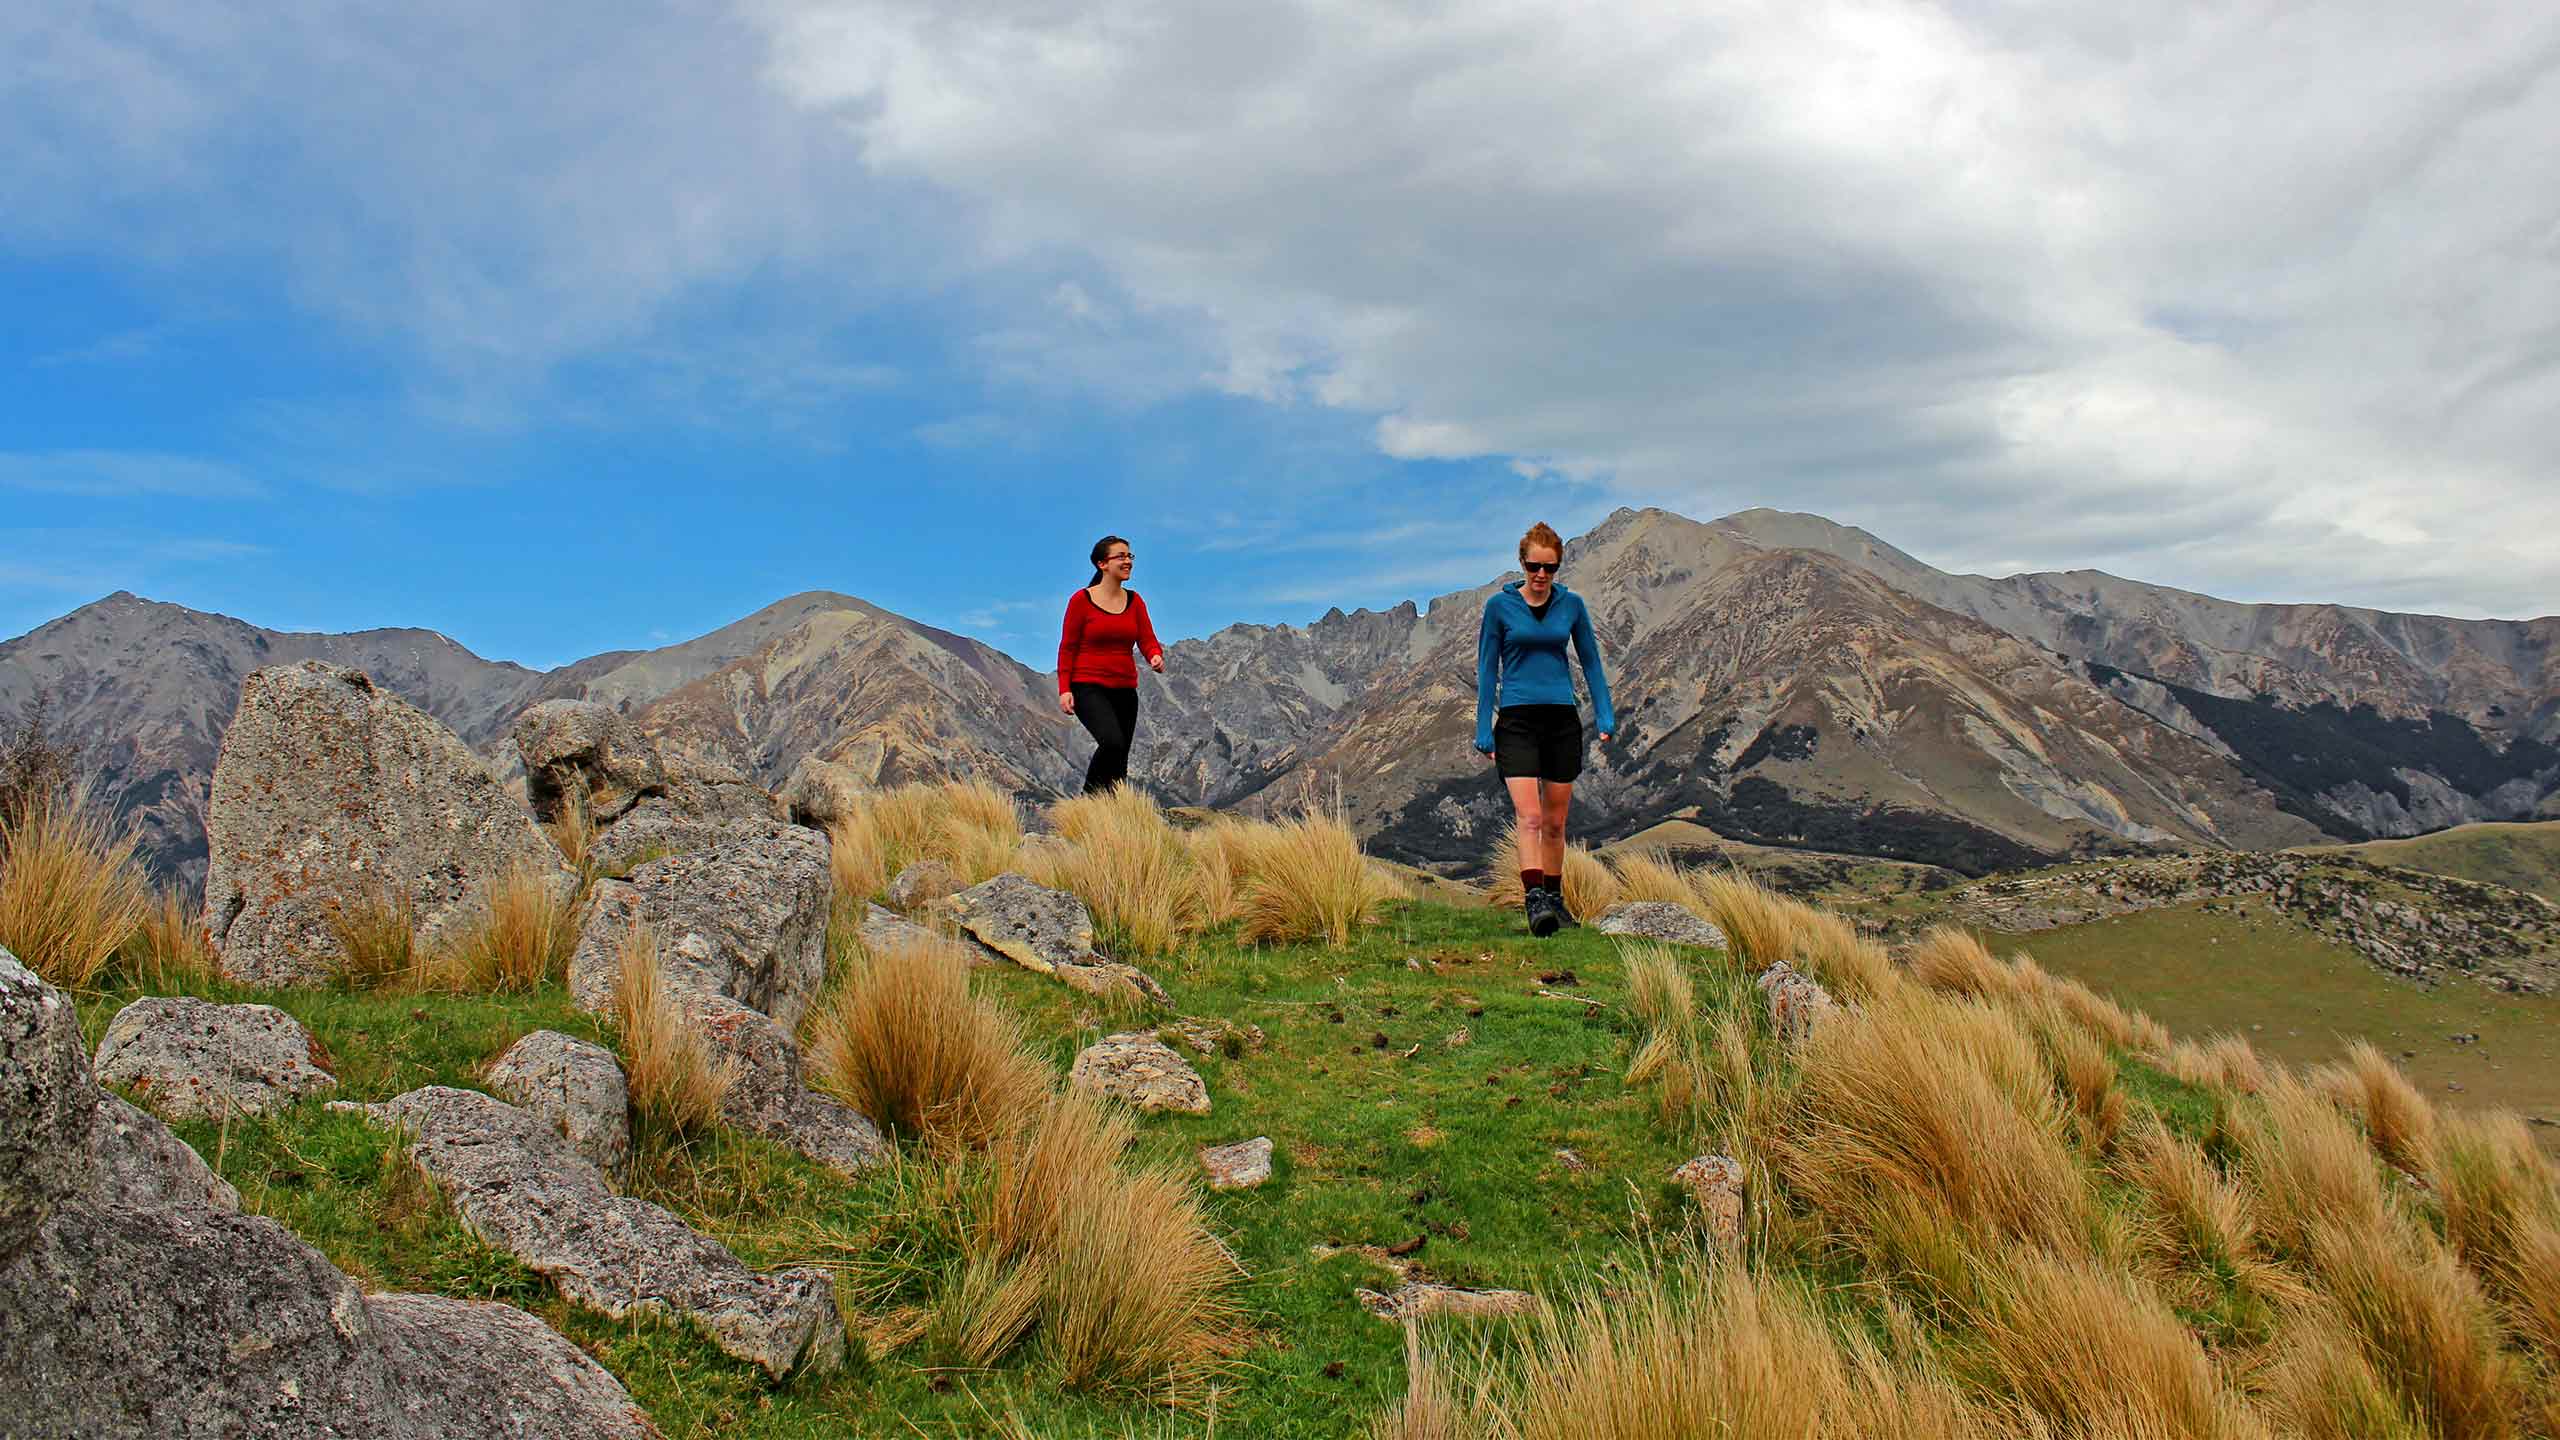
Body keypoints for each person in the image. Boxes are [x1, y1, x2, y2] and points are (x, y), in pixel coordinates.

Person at [1475, 522, 1615, 937]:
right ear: (1522, 563)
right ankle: (1534, 900)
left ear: (1557, 568)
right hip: (1517, 720)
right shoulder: (1499, 609)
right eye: (1534, 566)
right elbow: (1487, 668)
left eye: (1549, 568)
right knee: (1531, 816)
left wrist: (1604, 715)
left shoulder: (1571, 606)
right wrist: (1484, 726)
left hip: (1561, 720)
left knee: (1556, 821)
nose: (1540, 575)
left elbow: (1590, 660)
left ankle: (1555, 901)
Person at [1056, 534, 1166, 794]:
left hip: (1124, 689)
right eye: (1121, 556)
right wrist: (1064, 689)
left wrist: (1154, 655)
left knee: (1119, 762)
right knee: (1112, 743)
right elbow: (1068, 647)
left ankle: (1110, 817)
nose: (1128, 561)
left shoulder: (1135, 601)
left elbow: (1147, 638)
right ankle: (1087, 803)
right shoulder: (1081, 601)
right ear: (1102, 564)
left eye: (1130, 556)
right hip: (1087, 686)